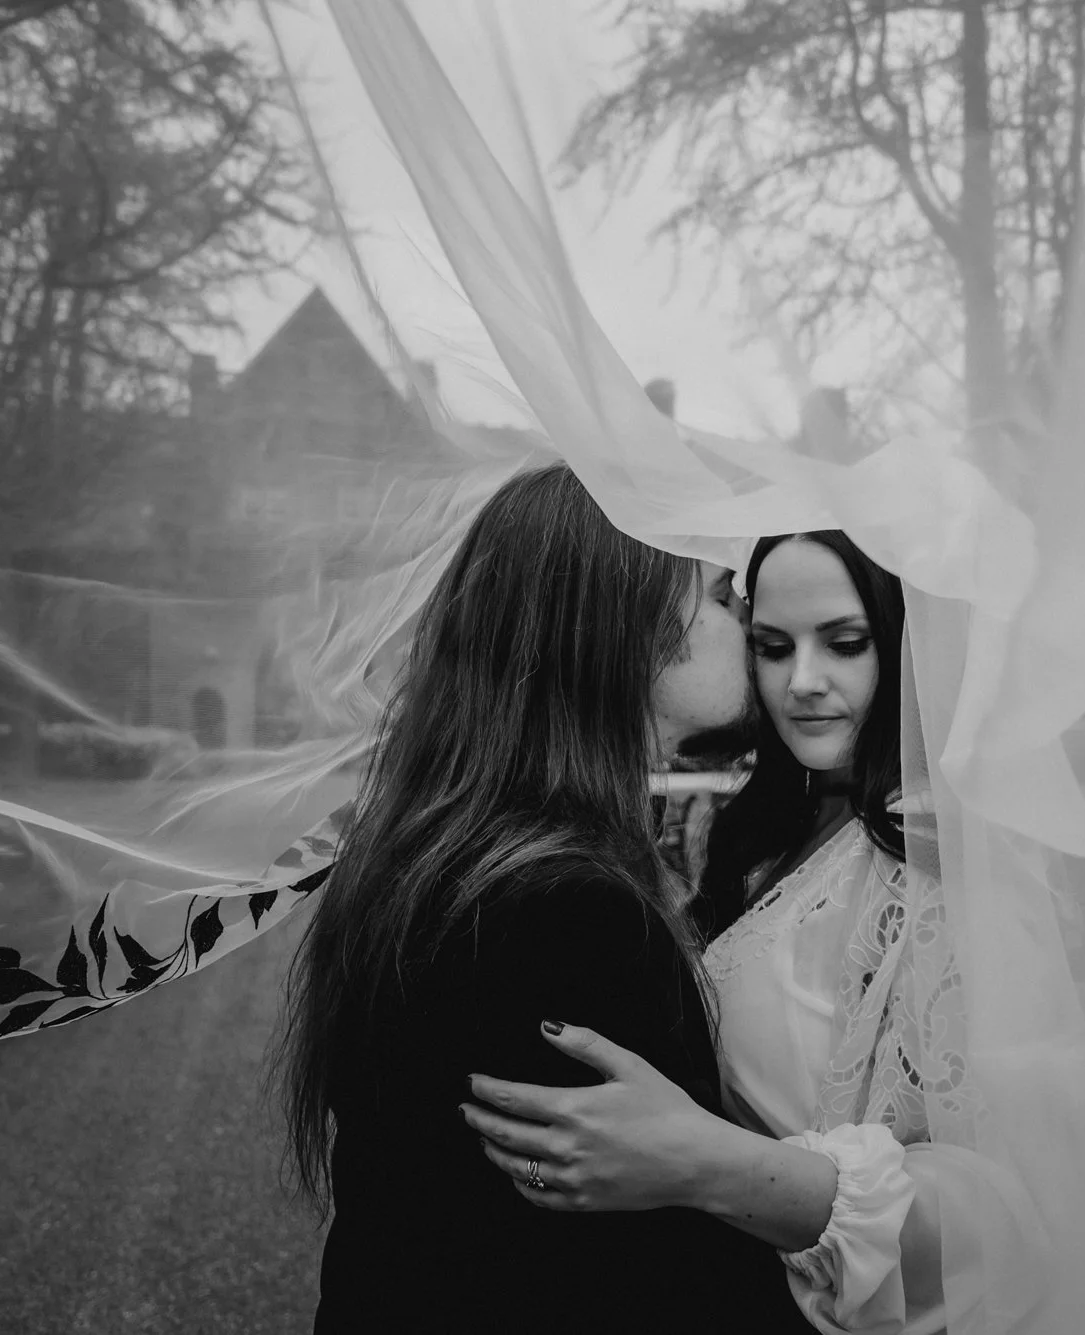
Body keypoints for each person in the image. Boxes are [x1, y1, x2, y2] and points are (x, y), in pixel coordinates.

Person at [275, 463, 818, 1333]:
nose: (744, 625)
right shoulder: (569, 912)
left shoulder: (443, 853)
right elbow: (659, 1275)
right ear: (629, 633)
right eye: (720, 599)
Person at [463, 530, 1044, 1334]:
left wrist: (712, 1163)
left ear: (912, 645)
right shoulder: (766, 831)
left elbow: (1013, 1212)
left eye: (845, 643)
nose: (803, 682)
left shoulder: (948, 863)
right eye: (771, 646)